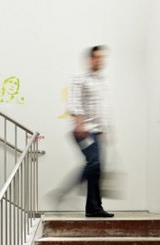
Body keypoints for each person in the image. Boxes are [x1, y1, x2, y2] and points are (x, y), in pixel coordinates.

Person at [68, 45, 114, 218]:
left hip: (96, 131)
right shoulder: (80, 79)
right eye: (97, 57)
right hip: (84, 130)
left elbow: (103, 108)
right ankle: (67, 190)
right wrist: (79, 124)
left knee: (97, 168)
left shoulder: (102, 81)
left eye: (102, 57)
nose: (100, 60)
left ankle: (93, 208)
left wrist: (106, 129)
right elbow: (74, 102)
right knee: (94, 164)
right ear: (91, 59)